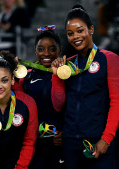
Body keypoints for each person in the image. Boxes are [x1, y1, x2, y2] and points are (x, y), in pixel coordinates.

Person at [51, 4, 119, 169]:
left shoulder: (109, 59)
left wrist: (106, 139)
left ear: (91, 29)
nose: (75, 36)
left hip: (98, 141)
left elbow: (117, 103)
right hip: (71, 144)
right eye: (70, 34)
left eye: (80, 30)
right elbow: (58, 105)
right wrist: (57, 76)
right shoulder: (68, 65)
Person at [12, 27, 64, 169]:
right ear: (35, 51)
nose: (46, 53)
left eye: (52, 49)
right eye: (41, 49)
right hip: (34, 144)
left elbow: (68, 106)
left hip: (58, 143)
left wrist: (66, 133)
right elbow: (19, 107)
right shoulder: (26, 76)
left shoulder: (66, 74)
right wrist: (14, 79)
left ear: (60, 50)